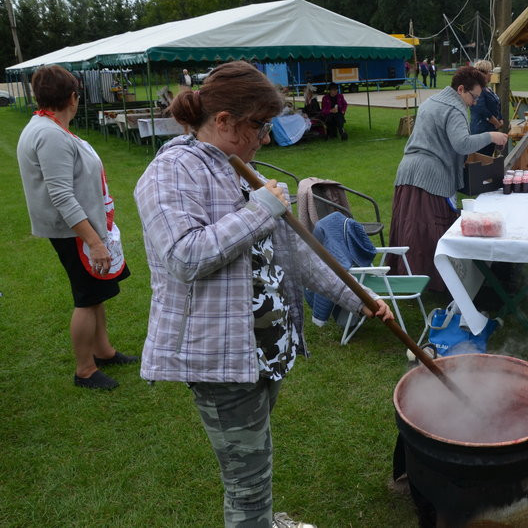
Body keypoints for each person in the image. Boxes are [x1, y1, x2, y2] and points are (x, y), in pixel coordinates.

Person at [134, 61, 392, 528]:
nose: (266, 137)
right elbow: (183, 256)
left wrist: (359, 297)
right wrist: (260, 209)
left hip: (262, 353)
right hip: (221, 359)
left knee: (255, 461)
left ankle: (263, 521)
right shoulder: (169, 173)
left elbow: (296, 252)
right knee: (246, 482)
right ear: (224, 120)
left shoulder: (238, 167)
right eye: (259, 124)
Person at [16, 65, 135, 391]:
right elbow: (62, 196)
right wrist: (94, 242)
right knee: (86, 297)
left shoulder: (47, 126)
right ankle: (85, 369)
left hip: (78, 227)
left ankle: (103, 352)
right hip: (73, 230)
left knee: (96, 294)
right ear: (73, 97)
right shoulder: (49, 135)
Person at [388, 66, 508, 291]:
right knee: (427, 231)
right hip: (429, 177)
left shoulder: (432, 102)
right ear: (461, 89)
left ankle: (408, 277)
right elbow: (461, 143)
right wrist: (492, 135)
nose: (474, 103)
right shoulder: (455, 108)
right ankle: (435, 281)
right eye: (473, 97)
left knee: (409, 229)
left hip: (407, 171)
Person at [470, 60, 504, 156]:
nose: (491, 74)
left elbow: (496, 104)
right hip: (481, 131)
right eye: (490, 72)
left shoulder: (487, 89)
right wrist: (496, 123)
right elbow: (481, 110)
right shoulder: (477, 89)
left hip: (491, 130)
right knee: (482, 159)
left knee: (488, 157)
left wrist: (500, 118)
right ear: (483, 74)